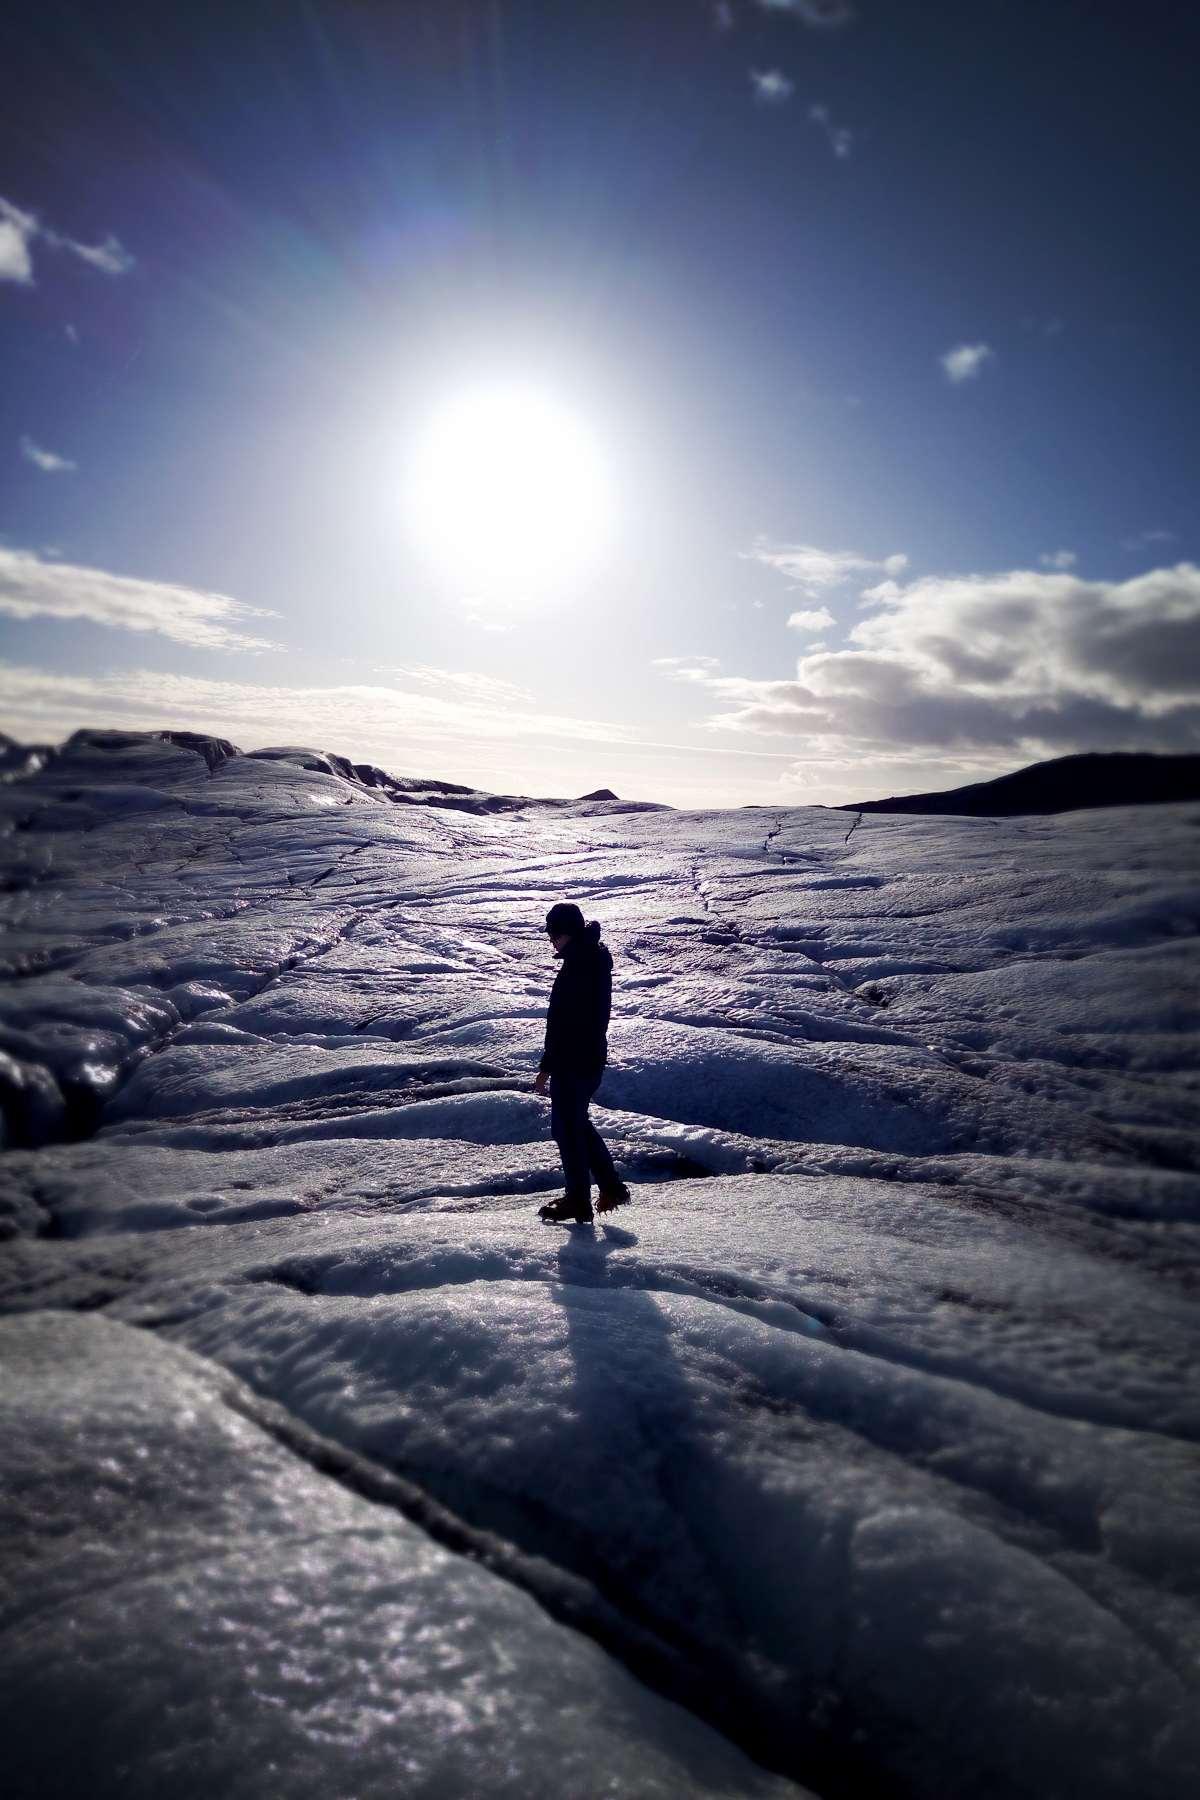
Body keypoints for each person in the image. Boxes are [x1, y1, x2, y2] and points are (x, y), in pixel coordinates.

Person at [533, 902, 631, 1224]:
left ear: (570, 932)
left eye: (555, 933)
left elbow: (567, 1024)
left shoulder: (580, 966)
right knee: (576, 1124)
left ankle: (578, 1200)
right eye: (550, 934)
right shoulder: (589, 959)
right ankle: (611, 1187)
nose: (552, 940)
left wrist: (547, 1066)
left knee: (566, 1129)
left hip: (574, 1063)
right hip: (589, 1059)